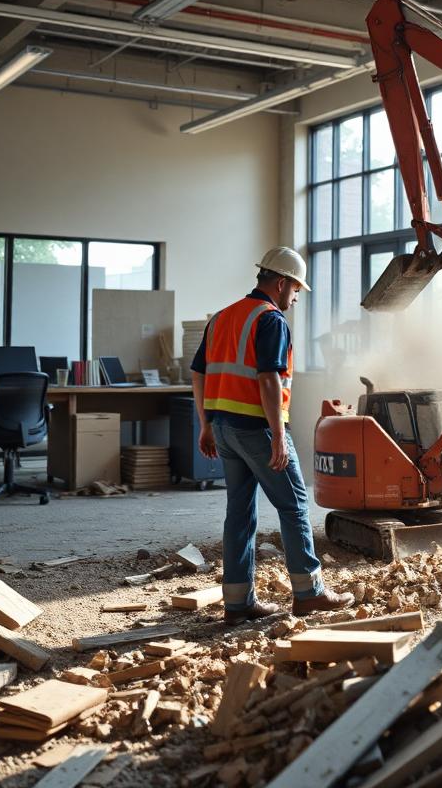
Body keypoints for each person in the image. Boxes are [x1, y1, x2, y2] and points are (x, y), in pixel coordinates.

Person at [190, 246, 352, 625]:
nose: (295, 298)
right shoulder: (271, 319)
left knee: (240, 514)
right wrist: (279, 436)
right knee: (294, 506)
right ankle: (309, 594)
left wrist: (206, 423)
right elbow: (268, 379)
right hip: (258, 430)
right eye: (295, 290)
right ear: (280, 284)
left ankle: (238, 602)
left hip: (225, 430)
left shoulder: (222, 318)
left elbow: (198, 373)